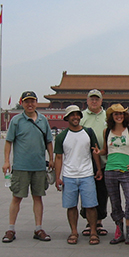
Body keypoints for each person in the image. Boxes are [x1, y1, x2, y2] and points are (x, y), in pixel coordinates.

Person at [1, 91, 54, 243]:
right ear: (22, 103)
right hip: (21, 166)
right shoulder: (16, 121)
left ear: (36, 102)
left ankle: (38, 228)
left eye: (32, 101)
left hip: (38, 166)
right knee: (16, 197)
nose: (30, 104)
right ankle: (10, 229)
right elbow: (8, 141)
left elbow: (49, 141)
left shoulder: (43, 120)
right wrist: (6, 161)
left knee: (38, 197)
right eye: (26, 102)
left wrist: (50, 158)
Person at [93, 104, 129, 246]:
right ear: (111, 116)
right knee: (115, 203)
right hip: (110, 170)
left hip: (127, 171)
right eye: (116, 114)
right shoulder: (107, 131)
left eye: (121, 114)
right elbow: (105, 150)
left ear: (125, 115)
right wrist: (99, 152)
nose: (119, 116)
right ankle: (119, 232)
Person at [54, 105, 103, 245]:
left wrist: (98, 169)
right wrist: (58, 177)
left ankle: (93, 231)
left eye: (77, 114)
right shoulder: (62, 136)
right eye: (72, 115)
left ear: (80, 117)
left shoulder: (88, 132)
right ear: (67, 118)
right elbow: (58, 157)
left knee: (91, 205)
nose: (75, 117)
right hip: (69, 175)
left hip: (87, 174)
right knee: (71, 206)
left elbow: (95, 151)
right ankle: (74, 231)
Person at [79, 89, 109, 237]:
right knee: (87, 192)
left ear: (101, 101)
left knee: (102, 192)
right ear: (87, 100)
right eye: (92, 99)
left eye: (97, 99)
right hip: (86, 162)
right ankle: (88, 222)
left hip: (105, 161)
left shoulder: (107, 116)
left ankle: (99, 221)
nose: (94, 101)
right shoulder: (81, 116)